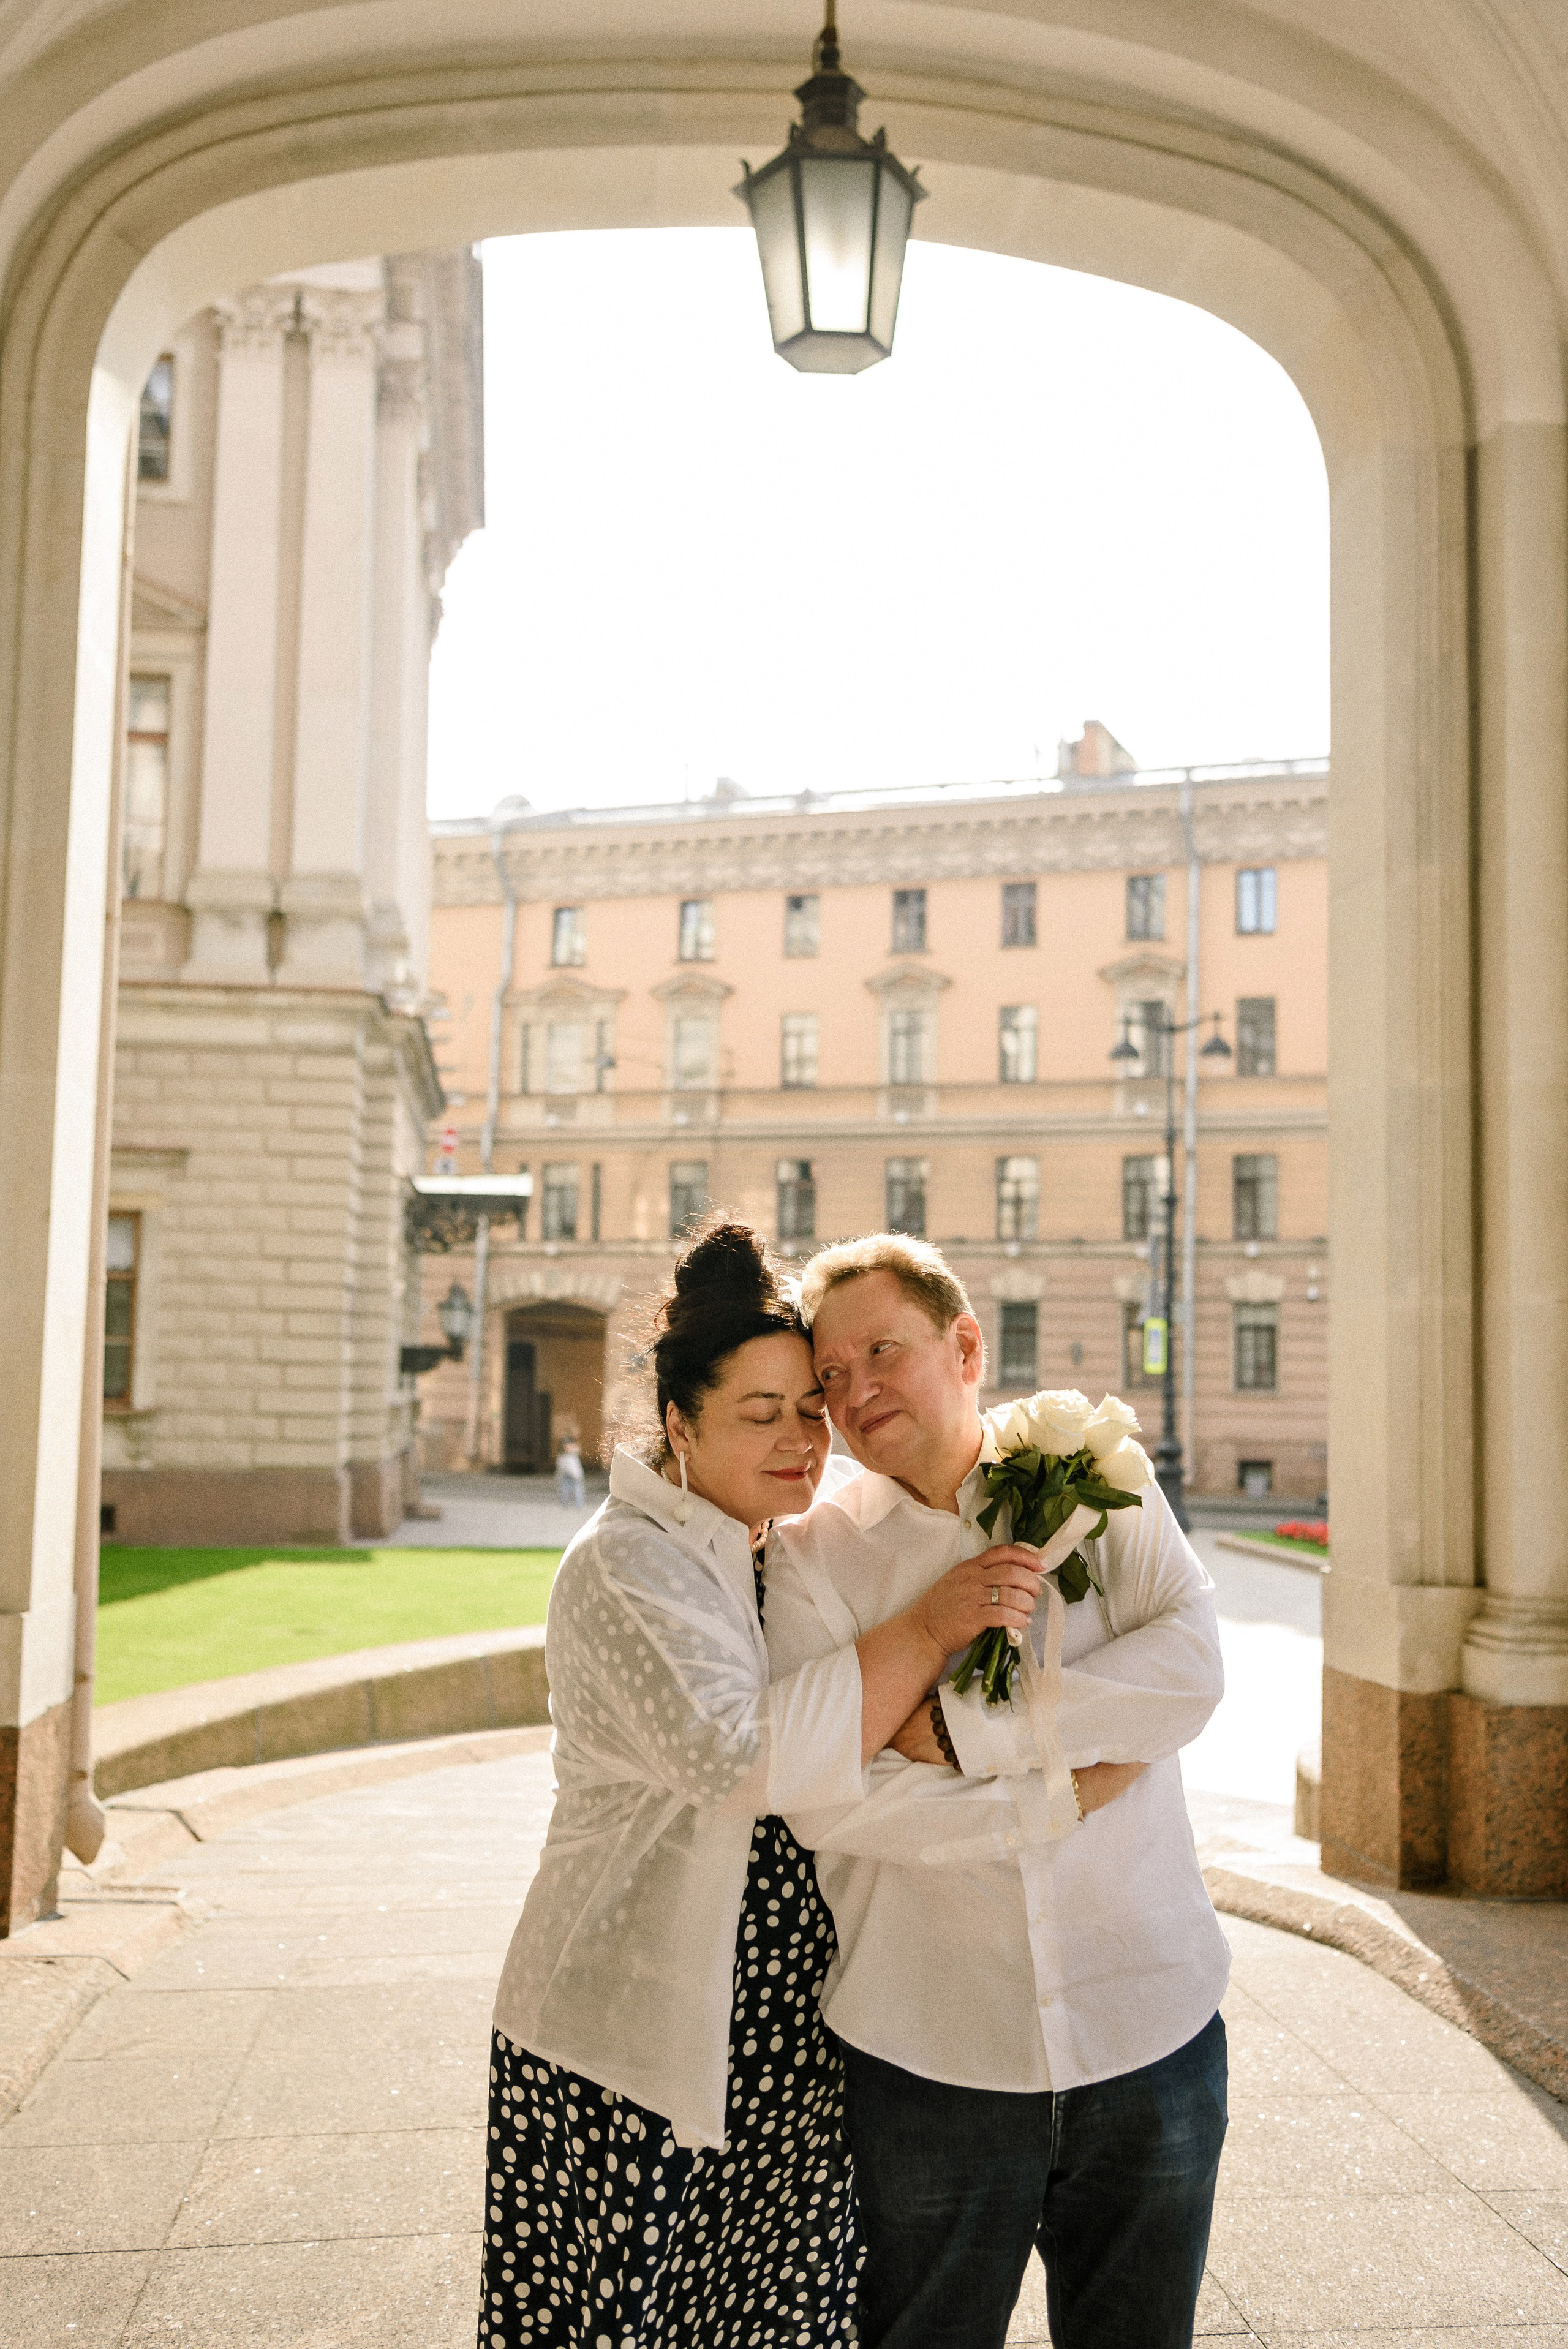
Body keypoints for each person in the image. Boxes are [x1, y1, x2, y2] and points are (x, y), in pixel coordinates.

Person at [478, 1218, 1047, 2349]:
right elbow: (742, 1761)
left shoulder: (760, 1548)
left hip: (783, 2055)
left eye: (809, 1412)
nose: (801, 1443)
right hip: (634, 2053)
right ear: (678, 1423)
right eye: (759, 1415)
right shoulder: (627, 1565)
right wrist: (932, 1622)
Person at [765, 1232, 1231, 2349]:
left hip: (1149, 2028)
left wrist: (966, 1729)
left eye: (885, 1349)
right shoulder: (809, 1562)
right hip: (932, 2057)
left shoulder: (1098, 1475)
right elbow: (832, 1799)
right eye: (831, 1374)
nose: (857, 1390)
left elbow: (1192, 1674)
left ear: (966, 1345)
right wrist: (1059, 1791)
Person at [554, 1427, 586, 1509]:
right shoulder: (568, 1439)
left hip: (568, 1464)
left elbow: (579, 1450)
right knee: (574, 1484)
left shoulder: (572, 1440)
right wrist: (575, 1448)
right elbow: (569, 1449)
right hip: (569, 1465)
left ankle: (570, 1504)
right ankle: (575, 1504)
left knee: (567, 1484)